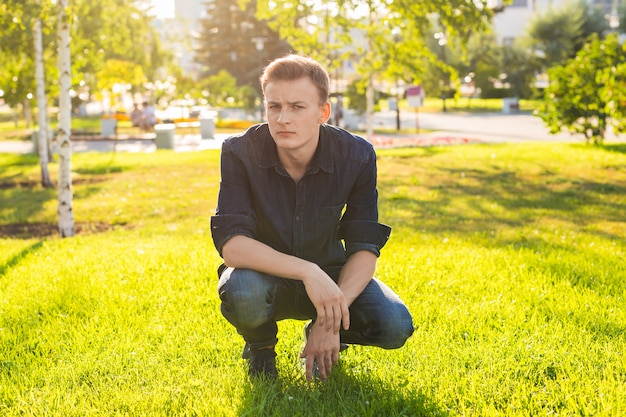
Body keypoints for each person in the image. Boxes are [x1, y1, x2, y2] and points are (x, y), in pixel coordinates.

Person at [210, 54, 414, 382]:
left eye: (297, 107)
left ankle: (325, 337)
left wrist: (329, 319)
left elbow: (364, 248)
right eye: (274, 106)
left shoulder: (357, 156)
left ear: (323, 112)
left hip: (333, 280)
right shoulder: (239, 152)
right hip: (265, 276)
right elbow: (233, 246)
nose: (282, 119)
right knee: (241, 290)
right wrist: (307, 271)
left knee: (394, 325)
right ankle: (260, 348)